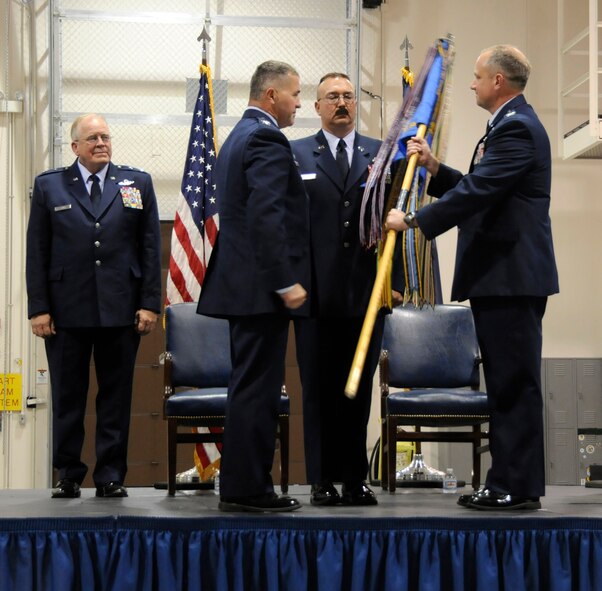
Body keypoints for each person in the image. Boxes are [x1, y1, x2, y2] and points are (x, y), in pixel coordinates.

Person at [386, 45, 559, 510]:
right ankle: (508, 481)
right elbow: (482, 185)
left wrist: (416, 221)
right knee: (504, 382)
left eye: (479, 76)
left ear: (499, 81)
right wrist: (435, 169)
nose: (472, 83)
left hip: (511, 276)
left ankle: (515, 487)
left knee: (513, 383)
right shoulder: (507, 125)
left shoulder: (517, 127)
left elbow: (482, 191)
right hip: (500, 277)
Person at [26, 113, 162, 499]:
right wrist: (39, 308)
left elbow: (150, 248)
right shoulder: (50, 185)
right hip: (65, 312)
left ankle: (110, 476)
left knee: (116, 398)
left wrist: (149, 303)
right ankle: (69, 474)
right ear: (75, 147)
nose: (101, 143)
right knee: (68, 396)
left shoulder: (136, 183)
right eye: (92, 138)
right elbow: (37, 251)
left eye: (105, 136)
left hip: (121, 310)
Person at [197, 61, 310, 513]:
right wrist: (285, 281)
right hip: (260, 288)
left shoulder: (237, 138)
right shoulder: (265, 138)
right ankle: (248, 489)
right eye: (295, 94)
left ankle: (242, 485)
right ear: (270, 96)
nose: (299, 103)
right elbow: (267, 215)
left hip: (241, 285)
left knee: (249, 387)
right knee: (257, 391)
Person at [291, 73, 401, 506]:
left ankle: (355, 478)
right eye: (332, 97)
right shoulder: (296, 152)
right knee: (317, 390)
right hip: (314, 295)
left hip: (366, 294)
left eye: (348, 96)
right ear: (316, 107)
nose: (341, 103)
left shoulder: (380, 153)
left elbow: (397, 215)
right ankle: (320, 478)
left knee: (357, 388)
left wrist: (396, 282)